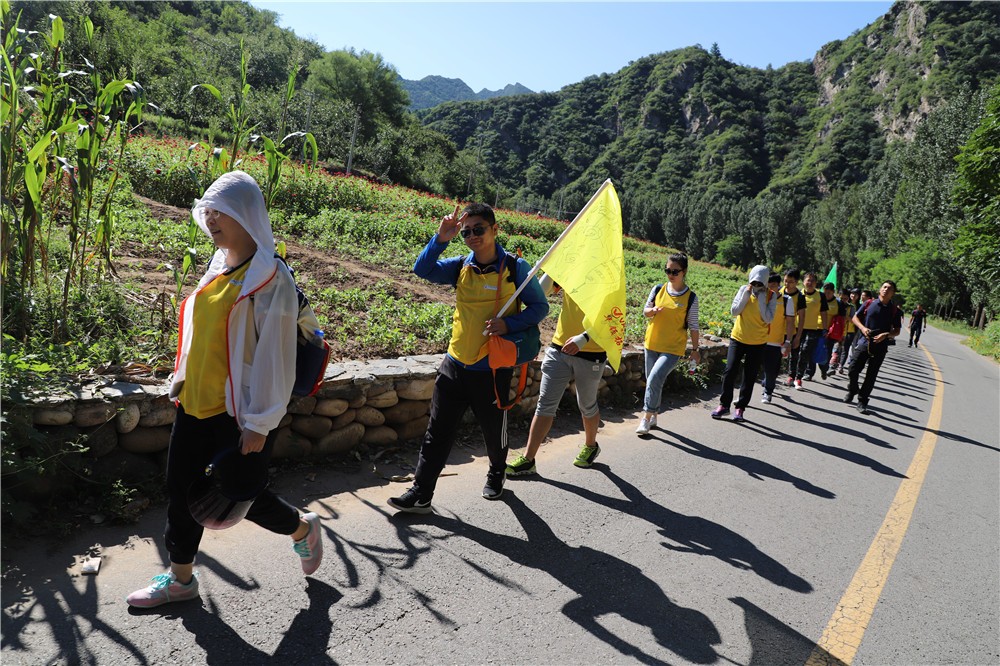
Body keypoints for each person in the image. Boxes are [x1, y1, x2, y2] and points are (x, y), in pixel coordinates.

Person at [127, 171, 322, 608]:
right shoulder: (220, 266)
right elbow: (201, 333)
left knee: (239, 496)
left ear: (247, 216)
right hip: (195, 405)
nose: (212, 220)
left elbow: (275, 359)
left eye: (223, 212)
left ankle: (302, 529)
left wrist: (259, 424)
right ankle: (181, 581)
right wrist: (180, 378)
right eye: (209, 211)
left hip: (235, 414)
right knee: (183, 491)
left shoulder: (271, 281)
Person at [388, 203, 548, 512]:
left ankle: (497, 472)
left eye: (479, 229)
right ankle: (421, 492)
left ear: (494, 230)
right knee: (437, 431)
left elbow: (540, 308)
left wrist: (509, 324)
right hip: (454, 363)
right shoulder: (461, 265)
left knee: (493, 429)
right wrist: (441, 238)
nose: (472, 236)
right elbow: (422, 270)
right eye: (466, 231)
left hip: (490, 368)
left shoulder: (516, 268)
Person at [505, 274, 608, 476]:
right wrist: (553, 269)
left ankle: (590, 445)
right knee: (546, 403)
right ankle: (528, 459)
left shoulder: (608, 272)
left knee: (586, 404)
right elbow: (540, 291)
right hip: (559, 347)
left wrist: (584, 338)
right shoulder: (571, 266)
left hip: (591, 351)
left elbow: (612, 314)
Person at [635, 253, 701, 434]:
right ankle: (654, 413)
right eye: (668, 270)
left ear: (684, 271)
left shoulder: (691, 298)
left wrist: (695, 350)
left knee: (655, 378)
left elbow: (694, 326)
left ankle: (646, 419)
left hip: (673, 348)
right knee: (652, 381)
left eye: (675, 271)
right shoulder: (658, 289)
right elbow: (645, 311)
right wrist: (653, 310)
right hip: (652, 343)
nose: (671, 274)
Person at [711, 265, 776, 422]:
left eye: (760, 283)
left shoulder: (771, 296)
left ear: (766, 282)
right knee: (730, 371)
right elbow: (734, 311)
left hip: (758, 342)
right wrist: (747, 295)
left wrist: (761, 300)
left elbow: (768, 318)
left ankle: (740, 408)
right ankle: (724, 405)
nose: (756, 286)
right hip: (738, 338)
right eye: (754, 282)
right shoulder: (743, 289)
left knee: (749, 376)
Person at [845, 280, 903, 414]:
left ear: (893, 293)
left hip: (881, 346)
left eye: (889, 289)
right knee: (853, 369)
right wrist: (863, 328)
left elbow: (897, 330)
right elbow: (855, 318)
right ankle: (853, 388)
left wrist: (886, 334)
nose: (886, 290)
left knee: (871, 375)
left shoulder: (894, 310)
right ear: (879, 290)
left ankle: (862, 401)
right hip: (864, 342)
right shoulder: (869, 303)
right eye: (884, 287)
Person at [760, 273, 794, 404]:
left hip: (776, 341)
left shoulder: (786, 300)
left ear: (779, 285)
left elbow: (790, 322)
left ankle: (768, 392)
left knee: (771, 369)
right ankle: (744, 396)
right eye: (769, 284)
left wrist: (788, 341)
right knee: (755, 367)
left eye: (774, 285)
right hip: (759, 338)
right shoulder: (761, 298)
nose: (772, 287)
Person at [792, 272, 828, 388]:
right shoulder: (797, 294)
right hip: (797, 327)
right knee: (795, 352)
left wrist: (825, 328)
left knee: (805, 352)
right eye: (808, 280)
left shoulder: (820, 296)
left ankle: (798, 378)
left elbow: (823, 313)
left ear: (816, 283)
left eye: (813, 281)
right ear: (803, 282)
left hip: (812, 329)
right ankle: (791, 375)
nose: (810, 282)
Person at [780, 269, 806, 387]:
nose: (787, 284)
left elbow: (801, 318)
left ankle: (792, 376)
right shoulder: (779, 291)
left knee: (794, 355)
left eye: (790, 282)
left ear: (796, 282)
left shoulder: (800, 297)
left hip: (792, 330)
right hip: (778, 330)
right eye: (785, 281)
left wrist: (798, 336)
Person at [818, 282, 847, 379]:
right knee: (813, 350)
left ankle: (824, 369)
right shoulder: (819, 299)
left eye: (829, 293)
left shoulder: (839, 303)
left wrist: (842, 334)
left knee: (826, 352)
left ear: (833, 292)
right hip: (816, 329)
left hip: (830, 333)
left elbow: (842, 321)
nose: (826, 295)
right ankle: (809, 373)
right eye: (825, 292)